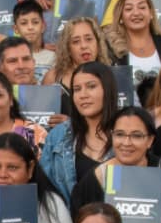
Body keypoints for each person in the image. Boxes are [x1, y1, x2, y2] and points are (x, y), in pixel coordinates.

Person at [40, 61, 119, 201]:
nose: (83, 95)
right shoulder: (58, 135)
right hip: (68, 214)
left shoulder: (127, 134)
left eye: (91, 86)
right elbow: (45, 190)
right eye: (77, 89)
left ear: (108, 89)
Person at [102, 0, 161, 104]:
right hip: (128, 113)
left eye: (142, 7)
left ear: (151, 13)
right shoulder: (111, 49)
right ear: (121, 17)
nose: (136, 13)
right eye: (129, 9)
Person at [41, 16, 112, 95]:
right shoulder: (53, 78)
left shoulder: (109, 76)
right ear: (67, 48)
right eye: (76, 41)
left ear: (98, 43)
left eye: (89, 39)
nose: (84, 46)